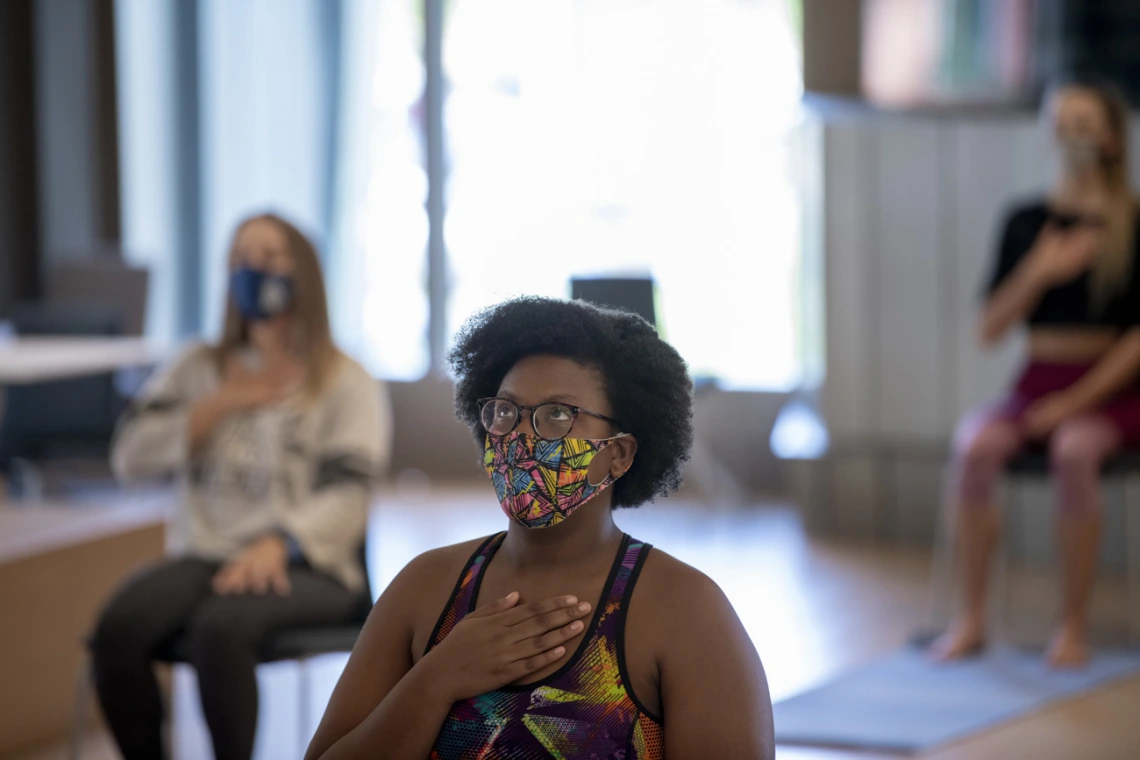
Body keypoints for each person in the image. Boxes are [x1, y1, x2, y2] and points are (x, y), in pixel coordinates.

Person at [305, 297, 774, 759]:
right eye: (507, 411)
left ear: (620, 453)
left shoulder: (687, 611)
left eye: (557, 415)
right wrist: (436, 678)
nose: (521, 436)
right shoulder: (424, 586)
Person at [92, 213, 391, 760]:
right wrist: (219, 404)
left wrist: (281, 540)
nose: (256, 269)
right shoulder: (196, 366)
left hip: (313, 565)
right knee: (119, 628)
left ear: (303, 268)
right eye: (242, 257)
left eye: (272, 256)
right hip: (206, 553)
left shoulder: (346, 380)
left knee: (219, 630)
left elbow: (350, 497)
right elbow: (128, 456)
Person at [932, 78, 1140, 667]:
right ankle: (971, 618)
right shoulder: (1026, 221)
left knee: (1075, 452)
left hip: (1111, 391)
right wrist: (1041, 271)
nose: (1071, 132)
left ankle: (1070, 627)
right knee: (975, 446)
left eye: (1084, 120)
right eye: (1062, 120)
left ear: (1108, 136)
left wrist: (1073, 404)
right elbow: (990, 327)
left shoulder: (1133, 222)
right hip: (1034, 384)